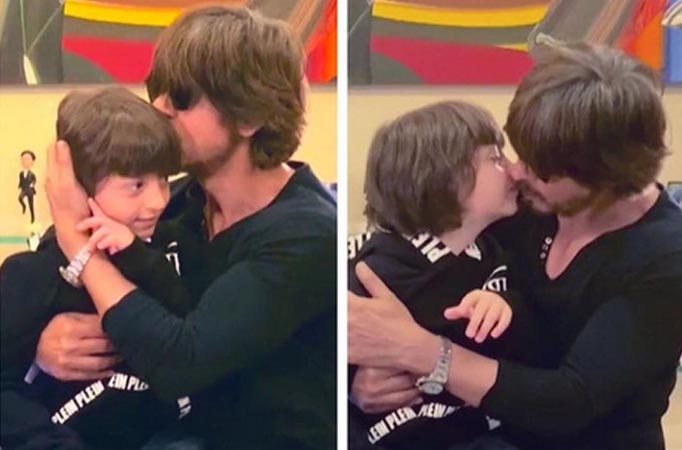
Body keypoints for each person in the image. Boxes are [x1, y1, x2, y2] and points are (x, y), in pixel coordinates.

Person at [348, 43, 682, 450]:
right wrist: (365, 382)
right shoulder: (520, 206)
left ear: (605, 178)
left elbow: (568, 402)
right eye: (516, 153)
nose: (517, 171)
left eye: (541, 169)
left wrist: (424, 354)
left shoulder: (664, 258)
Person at [37, 6, 337, 450]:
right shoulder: (179, 199)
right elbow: (49, 265)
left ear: (249, 116)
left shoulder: (307, 233)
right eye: (157, 90)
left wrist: (78, 245)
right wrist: (41, 340)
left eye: (180, 97)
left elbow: (183, 361)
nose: (159, 108)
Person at [1, 87, 200, 449]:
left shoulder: (175, 247)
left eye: (163, 181)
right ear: (77, 187)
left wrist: (140, 259)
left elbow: (195, 338)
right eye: (136, 185)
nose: (158, 201)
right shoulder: (29, 276)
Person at [348, 101, 546, 450]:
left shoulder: (494, 251)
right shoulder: (380, 269)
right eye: (495, 158)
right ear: (445, 178)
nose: (514, 171)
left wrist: (506, 305)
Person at [18, 150, 37, 223]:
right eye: (23, 159)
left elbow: (34, 180)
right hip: (24, 189)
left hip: (30, 191)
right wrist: (19, 185)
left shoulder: (32, 174)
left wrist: (32, 184)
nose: (25, 161)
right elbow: (21, 180)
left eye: (27, 159)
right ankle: (24, 206)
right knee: (20, 198)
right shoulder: (21, 173)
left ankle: (32, 217)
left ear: (32, 162)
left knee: (31, 204)